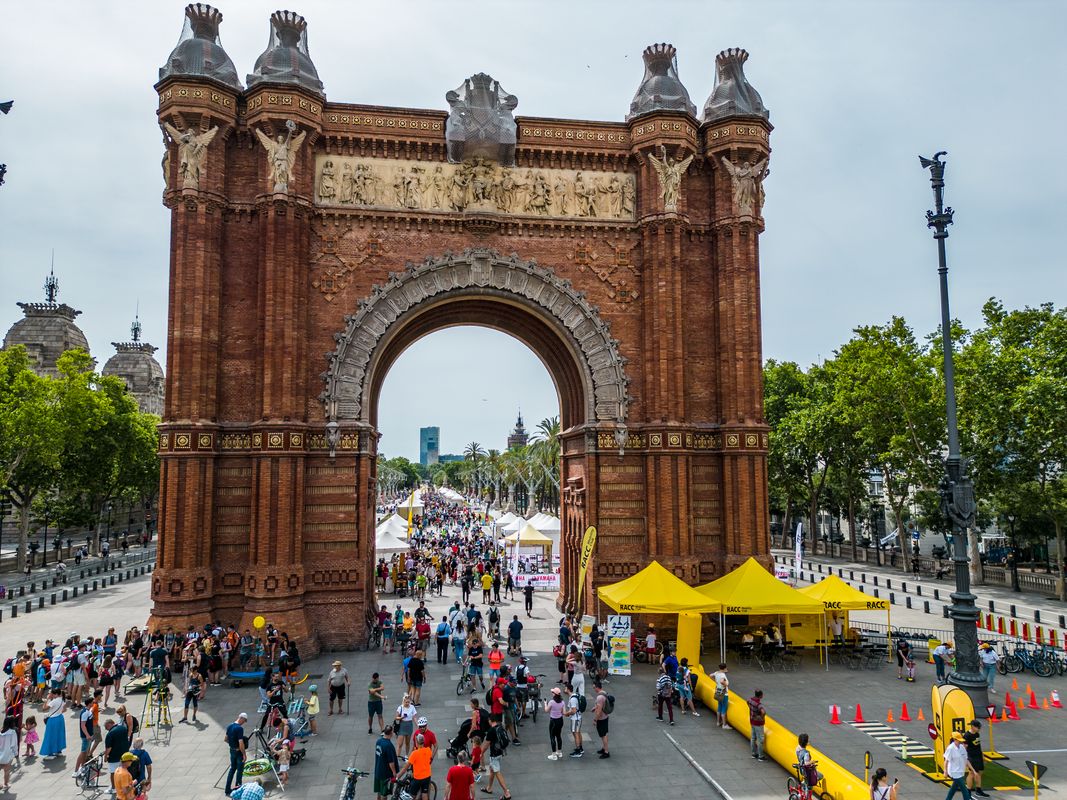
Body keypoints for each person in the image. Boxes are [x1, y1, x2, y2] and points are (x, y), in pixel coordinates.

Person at [483, 715, 512, 800]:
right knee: (492, 770)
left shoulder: (491, 730)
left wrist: (481, 753)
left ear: (490, 720)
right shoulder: (500, 726)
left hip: (494, 755)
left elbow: (486, 745)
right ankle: (489, 788)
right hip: (500, 752)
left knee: (497, 772)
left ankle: (506, 793)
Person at [397, 733, 433, 800]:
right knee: (424, 794)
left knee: (412, 796)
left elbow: (405, 768)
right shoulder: (428, 750)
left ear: (416, 742)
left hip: (418, 778)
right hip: (427, 776)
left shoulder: (414, 753)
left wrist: (397, 777)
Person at [944, 730, 977, 799]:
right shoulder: (950, 748)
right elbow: (946, 761)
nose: (960, 741)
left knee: (953, 789)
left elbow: (966, 760)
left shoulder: (962, 747)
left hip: (961, 772)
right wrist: (945, 771)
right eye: (958, 740)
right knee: (964, 789)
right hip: (954, 772)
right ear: (954, 739)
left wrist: (973, 770)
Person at [224, 712, 248, 797]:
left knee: (232, 769)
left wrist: (232, 746)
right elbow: (241, 743)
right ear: (241, 718)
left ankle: (227, 789)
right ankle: (238, 790)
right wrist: (244, 754)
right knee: (239, 771)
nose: (243, 723)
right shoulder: (239, 728)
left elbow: (225, 739)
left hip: (232, 750)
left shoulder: (230, 726)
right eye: (244, 721)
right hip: (238, 753)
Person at [103, 717, 131, 791]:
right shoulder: (123, 728)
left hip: (114, 757)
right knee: (124, 771)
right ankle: (125, 785)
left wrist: (105, 757)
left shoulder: (110, 734)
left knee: (113, 772)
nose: (106, 729)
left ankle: (114, 788)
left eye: (106, 727)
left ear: (109, 724)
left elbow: (109, 748)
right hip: (125, 755)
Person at [964, 720, 989, 797]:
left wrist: (982, 756)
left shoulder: (977, 734)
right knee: (971, 773)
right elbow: (964, 748)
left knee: (979, 772)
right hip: (971, 756)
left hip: (978, 755)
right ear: (972, 726)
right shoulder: (967, 736)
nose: (979, 729)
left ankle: (978, 790)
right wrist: (966, 759)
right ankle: (968, 791)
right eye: (978, 727)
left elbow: (978, 746)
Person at [374, 726, 400, 800]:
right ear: (391, 733)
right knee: (384, 794)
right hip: (385, 774)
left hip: (378, 771)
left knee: (379, 792)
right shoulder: (388, 746)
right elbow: (391, 762)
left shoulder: (378, 741)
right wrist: (394, 772)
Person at [39, 688, 67, 758]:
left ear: (56, 694)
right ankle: (58, 751)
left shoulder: (54, 701)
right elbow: (64, 709)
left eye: (52, 694)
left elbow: (44, 709)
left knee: (50, 736)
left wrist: (47, 699)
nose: (51, 695)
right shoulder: (62, 699)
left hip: (53, 719)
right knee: (59, 735)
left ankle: (50, 753)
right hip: (60, 718)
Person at [562, 681, 584, 758]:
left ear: (568, 689)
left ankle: (578, 751)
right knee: (578, 732)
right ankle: (580, 748)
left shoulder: (572, 699)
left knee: (575, 733)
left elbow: (574, 711)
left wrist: (567, 713)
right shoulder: (574, 695)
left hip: (575, 718)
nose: (564, 689)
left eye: (565, 688)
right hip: (578, 717)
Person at [545, 686, 567, 760]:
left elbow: (546, 710)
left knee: (552, 737)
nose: (552, 693)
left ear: (554, 694)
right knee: (558, 736)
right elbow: (564, 712)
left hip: (553, 721)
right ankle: (559, 752)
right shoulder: (562, 702)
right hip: (560, 720)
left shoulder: (551, 702)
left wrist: (545, 703)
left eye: (552, 692)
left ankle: (554, 755)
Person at [592, 680, 611, 759]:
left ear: (597, 687)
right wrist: (595, 707)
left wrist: (595, 720)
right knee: (604, 734)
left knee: (603, 735)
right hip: (605, 717)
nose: (594, 689)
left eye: (594, 688)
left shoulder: (599, 697)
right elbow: (602, 705)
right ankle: (604, 748)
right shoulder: (604, 693)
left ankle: (606, 752)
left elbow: (599, 711)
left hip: (601, 718)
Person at [748, 689, 767, 761]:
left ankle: (753, 753)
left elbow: (747, 702)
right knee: (760, 739)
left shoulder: (750, 700)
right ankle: (760, 756)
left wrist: (751, 710)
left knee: (753, 738)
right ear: (761, 696)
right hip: (758, 724)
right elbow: (763, 712)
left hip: (752, 721)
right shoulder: (759, 704)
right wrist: (761, 717)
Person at [0, 717, 17, 790]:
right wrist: (16, 753)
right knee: (7, 771)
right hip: (8, 754)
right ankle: (5, 784)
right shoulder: (12, 732)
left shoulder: (1, 731)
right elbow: (14, 744)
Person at [712, 662, 729, 727]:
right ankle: (724, 725)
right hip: (724, 694)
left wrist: (716, 682)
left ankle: (718, 722)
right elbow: (722, 681)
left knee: (719, 707)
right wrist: (726, 684)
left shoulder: (716, 673)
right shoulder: (722, 675)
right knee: (724, 708)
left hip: (718, 692)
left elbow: (710, 675)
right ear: (725, 668)